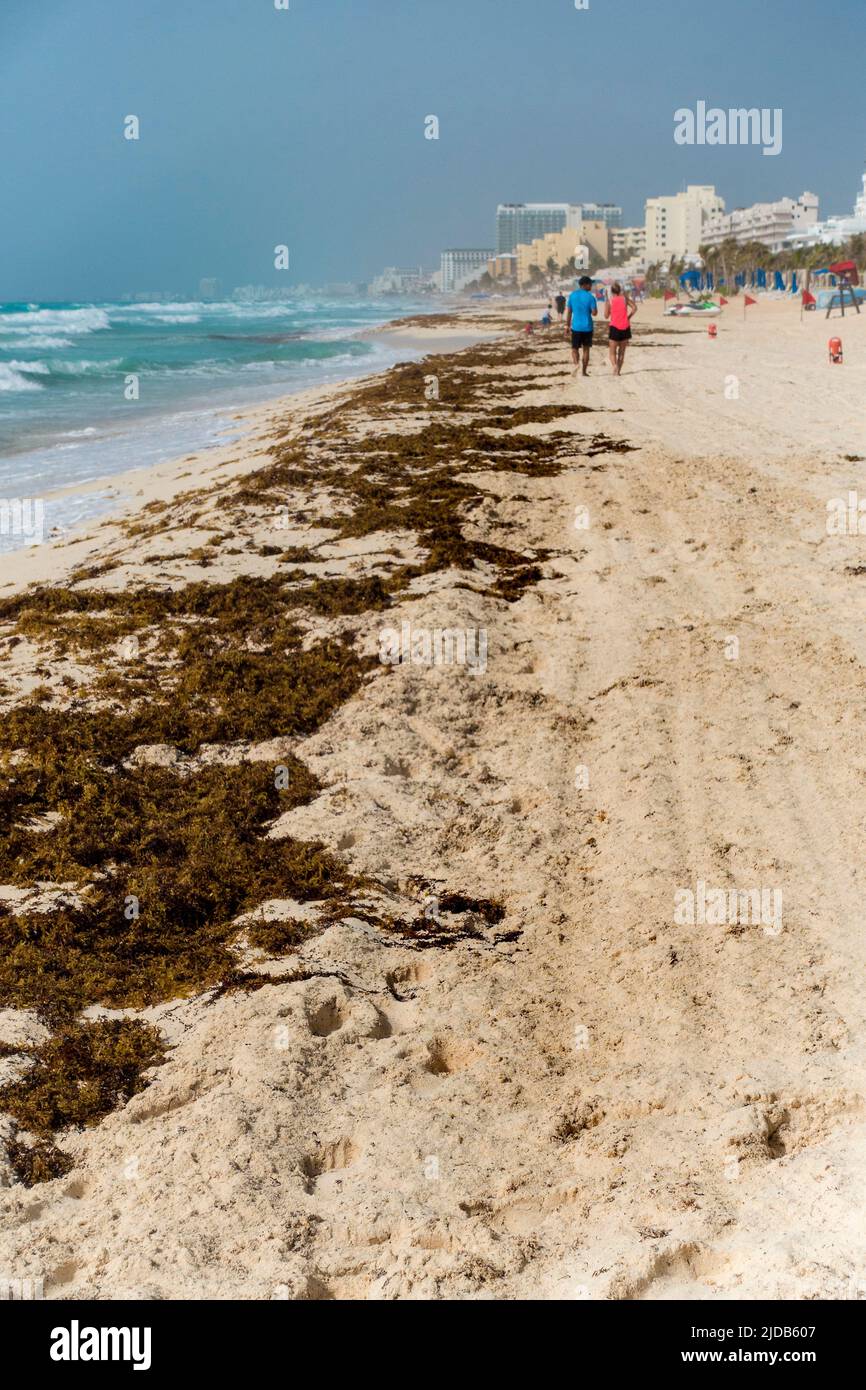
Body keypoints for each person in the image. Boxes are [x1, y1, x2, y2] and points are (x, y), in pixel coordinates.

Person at [565, 275, 598, 376]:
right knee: (586, 349)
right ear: (585, 285)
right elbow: (594, 313)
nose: (591, 286)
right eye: (590, 284)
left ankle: (576, 364)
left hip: (576, 327)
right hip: (587, 327)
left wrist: (567, 326)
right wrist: (590, 310)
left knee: (574, 349)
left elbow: (569, 312)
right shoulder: (591, 297)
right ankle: (584, 372)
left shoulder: (572, 295)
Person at [604, 280, 637, 375]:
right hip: (625, 327)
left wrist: (606, 302)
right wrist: (628, 317)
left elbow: (606, 316)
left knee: (612, 352)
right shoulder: (624, 299)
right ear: (619, 290)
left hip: (614, 327)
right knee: (622, 352)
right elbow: (635, 308)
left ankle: (615, 366)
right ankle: (618, 372)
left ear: (611, 291)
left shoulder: (610, 301)